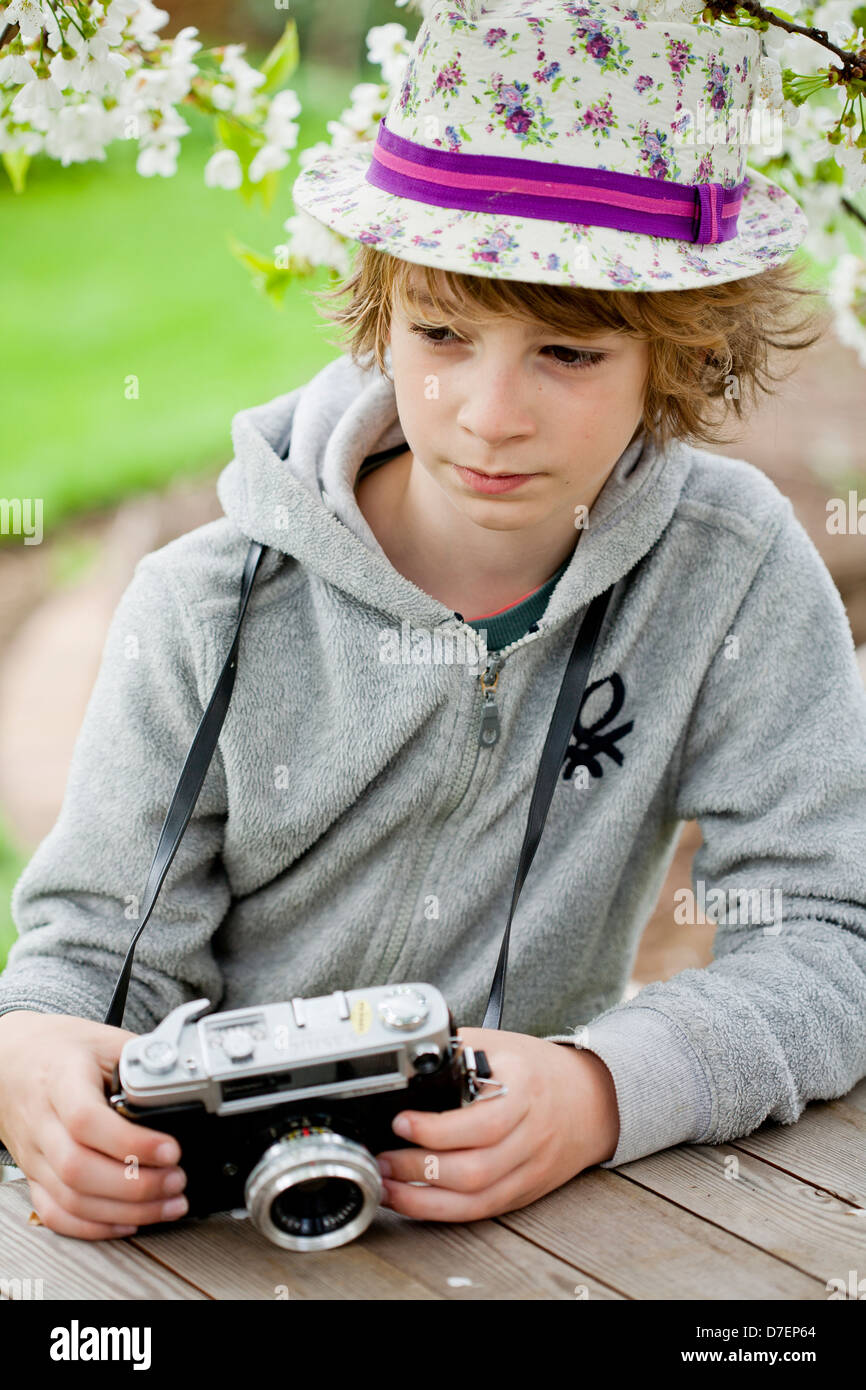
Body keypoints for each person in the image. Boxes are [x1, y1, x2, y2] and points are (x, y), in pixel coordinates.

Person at [1, 0, 865, 1243]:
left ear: (674, 356)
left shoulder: (723, 572)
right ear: (380, 307)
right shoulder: (204, 605)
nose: (485, 414)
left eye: (566, 353)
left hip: (538, 1232)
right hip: (211, 1241)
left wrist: (599, 1086)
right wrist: (30, 1056)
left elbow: (827, 932)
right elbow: (89, 965)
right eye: (441, 333)